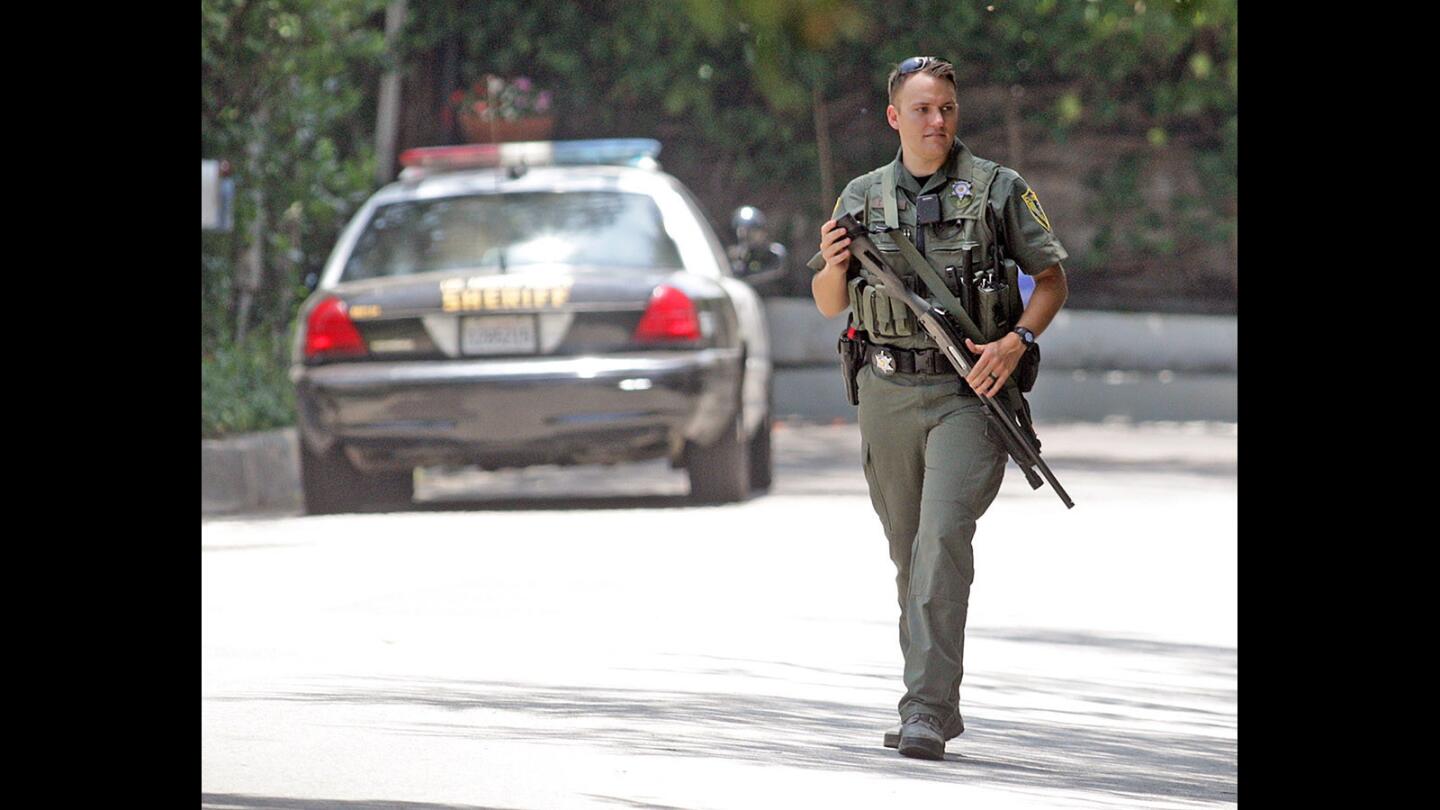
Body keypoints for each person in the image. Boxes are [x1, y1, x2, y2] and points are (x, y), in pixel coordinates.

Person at [810, 56, 1070, 761]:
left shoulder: (997, 190)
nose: (938, 122)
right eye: (923, 110)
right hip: (887, 391)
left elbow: (1051, 280)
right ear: (895, 118)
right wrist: (833, 266)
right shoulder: (860, 198)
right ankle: (929, 695)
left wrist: (1015, 343)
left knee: (942, 539)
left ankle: (925, 709)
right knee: (908, 552)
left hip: (969, 394)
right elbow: (830, 303)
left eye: (948, 109)